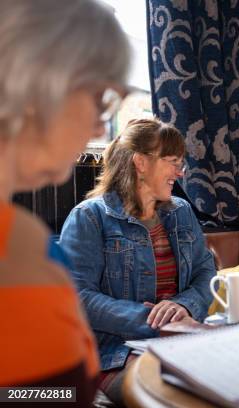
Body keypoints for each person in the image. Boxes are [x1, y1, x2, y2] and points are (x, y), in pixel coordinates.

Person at [0, 0, 130, 405]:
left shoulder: (23, 232)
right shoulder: (21, 245)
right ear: (41, 84)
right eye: (102, 98)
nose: (99, 125)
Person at [59, 118, 216, 404]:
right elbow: (77, 298)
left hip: (183, 342)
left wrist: (183, 306)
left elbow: (206, 272)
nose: (180, 173)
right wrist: (157, 321)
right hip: (113, 354)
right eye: (172, 161)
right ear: (140, 163)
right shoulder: (89, 217)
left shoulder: (181, 212)